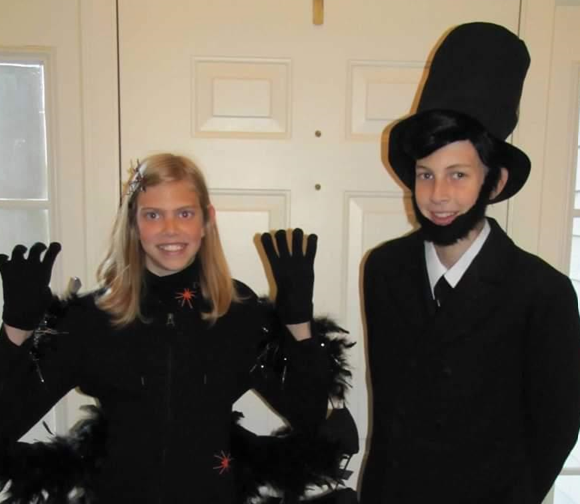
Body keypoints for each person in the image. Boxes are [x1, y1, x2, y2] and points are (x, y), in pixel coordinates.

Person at [0, 153, 345, 504]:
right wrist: (16, 331)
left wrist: (298, 322)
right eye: (153, 215)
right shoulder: (93, 319)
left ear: (206, 220)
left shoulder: (237, 313)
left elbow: (308, 415)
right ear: (133, 224)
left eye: (184, 213)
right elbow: (7, 421)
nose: (171, 229)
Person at [361, 23, 580, 504]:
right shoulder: (384, 270)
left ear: (494, 183)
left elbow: (558, 425)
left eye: (458, 175)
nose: (438, 196)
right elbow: (391, 409)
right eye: (426, 175)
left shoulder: (543, 291)